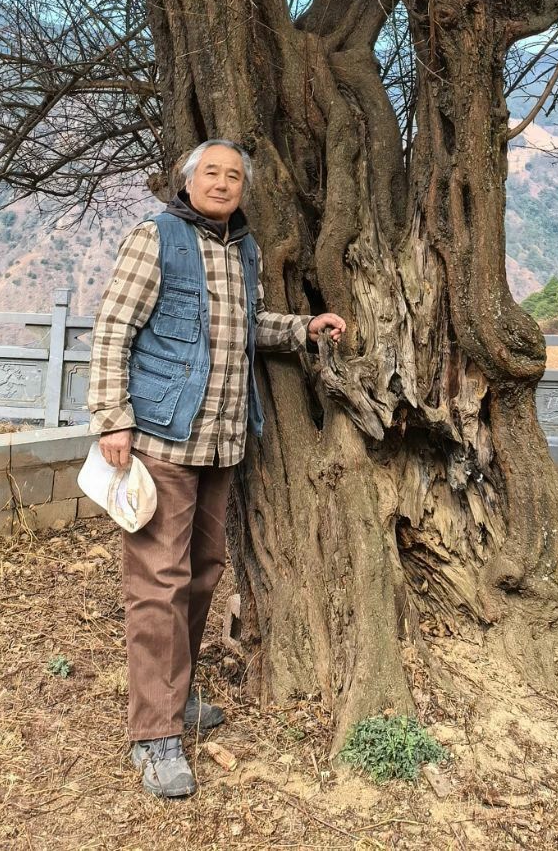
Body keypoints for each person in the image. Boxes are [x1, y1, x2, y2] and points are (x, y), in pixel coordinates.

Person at [87, 138, 346, 800]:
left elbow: (246, 326)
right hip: (162, 442)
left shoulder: (244, 250)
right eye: (212, 172)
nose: (223, 183)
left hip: (223, 444)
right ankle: (154, 735)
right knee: (157, 584)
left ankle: (175, 693)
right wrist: (112, 419)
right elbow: (114, 325)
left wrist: (303, 330)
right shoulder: (157, 238)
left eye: (234, 175)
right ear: (187, 179)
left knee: (202, 572)